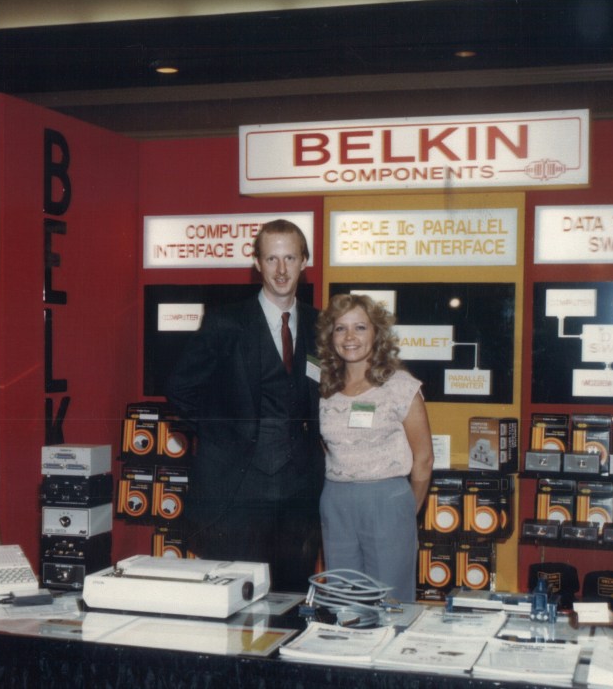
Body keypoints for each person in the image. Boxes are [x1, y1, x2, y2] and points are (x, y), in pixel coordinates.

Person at [165, 219, 324, 592]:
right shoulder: (226, 322)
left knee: (292, 596)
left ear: (305, 261)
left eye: (290, 258)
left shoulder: (321, 324)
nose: (281, 270)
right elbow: (180, 387)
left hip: (299, 489)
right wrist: (224, 435)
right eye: (272, 259)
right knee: (237, 598)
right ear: (256, 263)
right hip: (238, 489)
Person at [316, 293, 434, 602]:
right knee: (343, 601)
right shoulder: (324, 387)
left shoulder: (400, 385)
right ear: (331, 336)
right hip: (336, 500)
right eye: (340, 328)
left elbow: (423, 458)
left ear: (376, 333)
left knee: (389, 603)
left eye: (360, 327)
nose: (350, 337)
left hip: (387, 501)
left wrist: (408, 510)